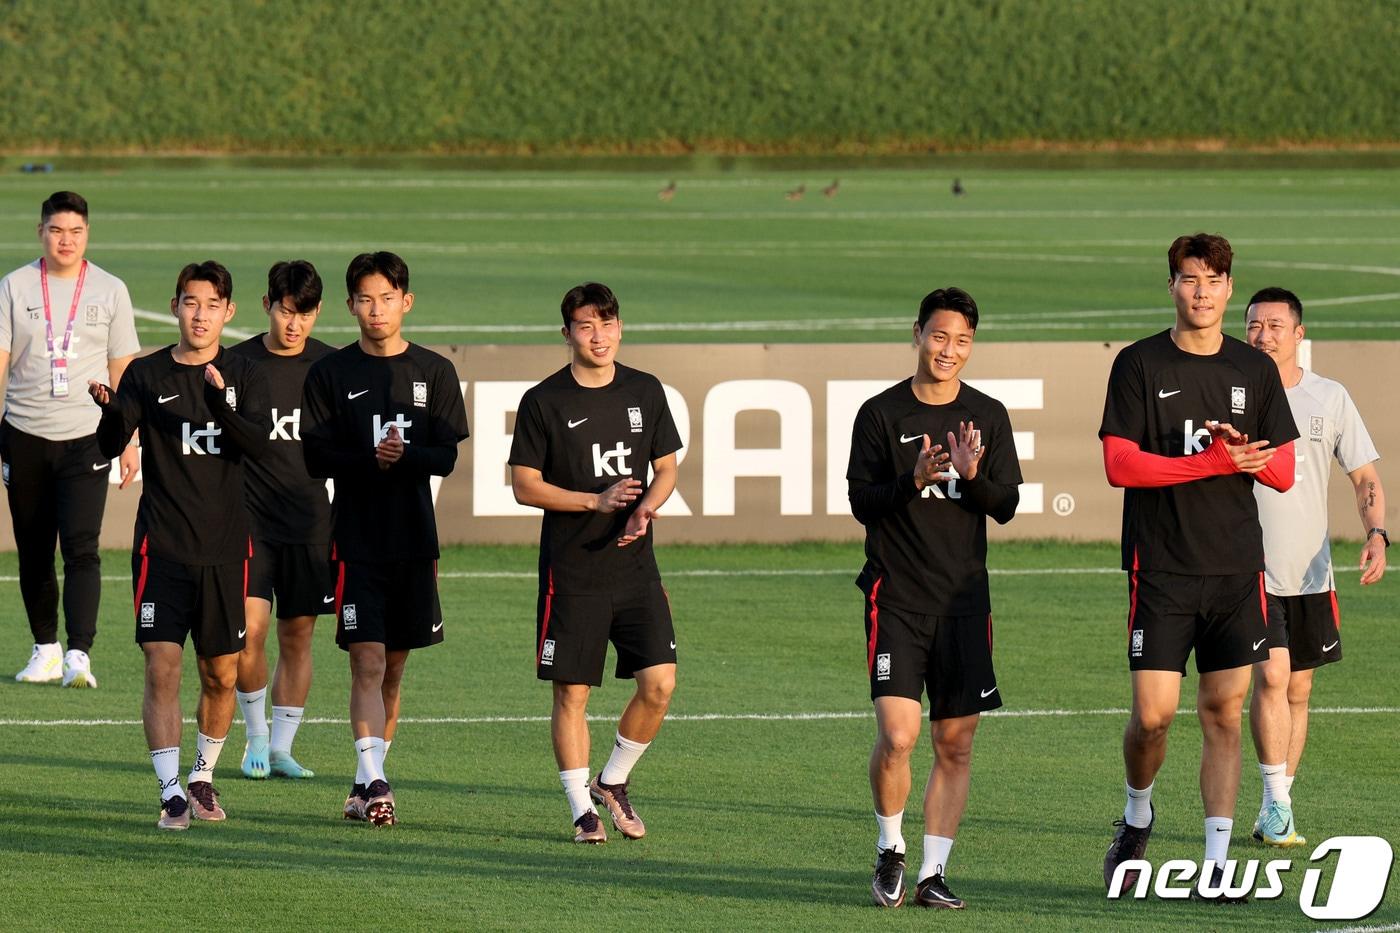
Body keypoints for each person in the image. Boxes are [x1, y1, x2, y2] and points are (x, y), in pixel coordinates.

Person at [1099, 234, 1298, 900]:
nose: (1202, 292)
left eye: (1213, 280)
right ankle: (1137, 812)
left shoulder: (1254, 369)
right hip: (1160, 567)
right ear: (1172, 287)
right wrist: (1207, 463)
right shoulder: (1138, 363)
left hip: (1235, 568)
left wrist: (1244, 454)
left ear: (1229, 288)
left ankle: (1216, 864)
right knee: (1153, 716)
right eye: (1190, 279)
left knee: (1222, 711)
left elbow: (1283, 471)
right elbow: (1119, 464)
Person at [847, 287, 1021, 910]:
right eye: (940, 336)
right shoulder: (880, 413)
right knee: (899, 736)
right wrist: (912, 479)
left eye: (963, 340)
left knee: (956, 743)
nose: (950, 350)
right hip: (896, 597)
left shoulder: (988, 415)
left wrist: (971, 477)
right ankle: (890, 850)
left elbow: (1006, 505)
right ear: (917, 333)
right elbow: (861, 502)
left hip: (964, 605)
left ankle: (933, 872)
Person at [88, 260, 271, 830]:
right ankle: (170, 792)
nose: (201, 315)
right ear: (175, 307)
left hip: (225, 549)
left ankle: (201, 777)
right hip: (161, 547)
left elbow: (256, 444)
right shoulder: (146, 374)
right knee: (161, 666)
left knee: (221, 674)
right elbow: (109, 442)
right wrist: (110, 411)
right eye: (191, 303)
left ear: (229, 312)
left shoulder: (245, 372)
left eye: (212, 305)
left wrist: (220, 402)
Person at [509, 282, 681, 844]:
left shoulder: (645, 390)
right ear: (567, 334)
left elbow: (666, 469)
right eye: (586, 326)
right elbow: (524, 485)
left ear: (620, 327)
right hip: (573, 573)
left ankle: (614, 780)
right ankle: (582, 808)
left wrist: (645, 509)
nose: (598, 336)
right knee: (572, 694)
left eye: (607, 324)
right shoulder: (544, 401)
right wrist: (594, 502)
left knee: (660, 684)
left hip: (636, 569)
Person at [301, 251, 468, 827]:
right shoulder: (330, 373)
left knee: (394, 669)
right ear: (350, 305)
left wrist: (405, 456)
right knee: (367, 662)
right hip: (354, 540)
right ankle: (377, 784)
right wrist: (368, 460)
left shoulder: (434, 371)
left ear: (407, 302)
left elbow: (446, 456)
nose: (377, 310)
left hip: (415, 540)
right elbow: (315, 456)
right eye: (366, 299)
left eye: (387, 299)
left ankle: (362, 780)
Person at [1244, 287, 1387, 847]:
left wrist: (1376, 533)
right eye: (1254, 325)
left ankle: (1275, 803)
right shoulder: (1231, 393)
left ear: (1298, 335)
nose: (1263, 336)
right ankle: (1278, 804)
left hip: (1310, 572)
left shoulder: (1330, 397)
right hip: (1248, 569)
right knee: (1272, 677)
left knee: (1299, 690)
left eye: (1275, 326)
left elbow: (1365, 477)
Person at [2, 191, 141, 688]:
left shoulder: (110, 289)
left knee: (82, 547)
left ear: (87, 234)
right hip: (24, 433)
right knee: (34, 548)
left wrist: (129, 439)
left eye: (76, 231)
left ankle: (79, 654)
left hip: (87, 438)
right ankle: (45, 649)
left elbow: (123, 370)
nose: (66, 240)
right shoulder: (14, 286)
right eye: (57, 230)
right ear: (41, 231)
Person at [228, 261, 335, 780]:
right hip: (249, 520)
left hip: (310, 522)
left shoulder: (332, 368)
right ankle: (254, 736)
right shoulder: (237, 363)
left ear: (319, 312)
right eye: (286, 311)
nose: (294, 324)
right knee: (250, 632)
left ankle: (281, 749)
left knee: (297, 636)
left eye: (305, 314)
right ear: (267, 304)